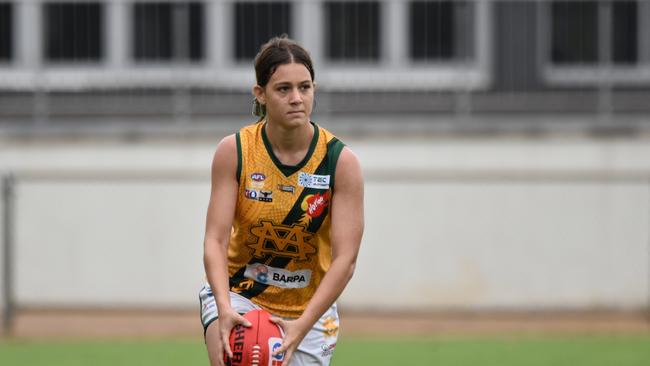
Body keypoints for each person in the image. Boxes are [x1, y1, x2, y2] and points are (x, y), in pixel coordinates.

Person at [199, 36, 364, 366]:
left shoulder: (340, 162)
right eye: (283, 89)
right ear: (260, 94)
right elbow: (214, 240)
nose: (296, 99)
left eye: (305, 87)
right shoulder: (235, 151)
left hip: (309, 310)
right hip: (240, 295)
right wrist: (224, 307)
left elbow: (345, 260)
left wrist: (302, 326)